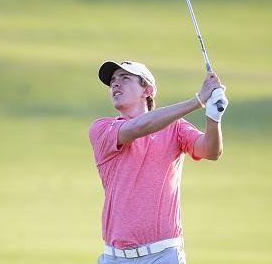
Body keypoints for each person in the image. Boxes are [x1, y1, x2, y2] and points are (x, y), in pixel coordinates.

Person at [88, 60, 228, 264]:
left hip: (163, 255)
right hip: (114, 258)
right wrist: (198, 100)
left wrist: (213, 117)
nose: (115, 84)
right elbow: (139, 127)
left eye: (125, 78)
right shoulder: (102, 129)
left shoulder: (176, 128)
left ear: (148, 90)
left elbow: (211, 151)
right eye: (113, 81)